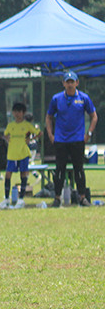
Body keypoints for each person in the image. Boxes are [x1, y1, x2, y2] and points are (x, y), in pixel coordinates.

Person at [45, 71, 97, 207]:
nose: (69, 84)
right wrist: (50, 134)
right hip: (61, 140)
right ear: (63, 83)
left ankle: (82, 197)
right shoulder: (56, 99)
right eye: (67, 82)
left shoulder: (83, 98)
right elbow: (49, 116)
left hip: (78, 139)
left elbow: (94, 116)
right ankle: (57, 198)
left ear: (77, 83)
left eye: (72, 82)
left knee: (79, 169)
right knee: (59, 169)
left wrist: (88, 134)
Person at [3, 102, 41, 203]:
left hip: (23, 153)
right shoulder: (10, 125)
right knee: (8, 175)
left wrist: (31, 138)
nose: (17, 114)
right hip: (12, 154)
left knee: (23, 174)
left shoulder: (27, 125)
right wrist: (7, 139)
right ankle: (6, 198)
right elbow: (5, 134)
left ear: (23, 113)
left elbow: (39, 133)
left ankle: (21, 199)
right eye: (15, 111)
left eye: (19, 111)